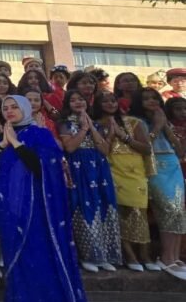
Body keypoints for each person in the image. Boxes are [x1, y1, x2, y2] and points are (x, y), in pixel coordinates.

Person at [0, 96, 89, 302]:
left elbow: (43, 168)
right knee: (15, 257)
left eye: (14, 107)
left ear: (25, 108)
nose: (9, 111)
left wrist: (17, 144)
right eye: (5, 108)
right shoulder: (2, 136)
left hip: (37, 209)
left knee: (37, 254)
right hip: (9, 208)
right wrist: (3, 143)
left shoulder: (40, 134)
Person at [93, 91, 158, 272]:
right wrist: (110, 135)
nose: (110, 104)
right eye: (105, 101)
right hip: (111, 170)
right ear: (97, 105)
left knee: (139, 213)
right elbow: (102, 151)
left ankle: (145, 254)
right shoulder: (95, 125)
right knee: (119, 213)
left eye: (113, 100)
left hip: (135, 172)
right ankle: (129, 255)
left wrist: (124, 136)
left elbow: (146, 149)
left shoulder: (133, 122)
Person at [59, 89, 121, 272]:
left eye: (81, 99)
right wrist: (83, 129)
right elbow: (70, 148)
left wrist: (91, 127)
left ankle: (104, 254)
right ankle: (88, 255)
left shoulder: (97, 124)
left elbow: (105, 150)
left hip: (98, 168)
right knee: (83, 207)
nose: (78, 102)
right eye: (73, 100)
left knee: (103, 205)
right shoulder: (64, 124)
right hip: (78, 169)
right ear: (67, 104)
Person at [129, 89, 186, 279]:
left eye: (154, 98)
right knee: (167, 209)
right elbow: (145, 146)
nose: (151, 101)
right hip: (155, 165)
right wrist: (157, 126)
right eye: (146, 98)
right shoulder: (136, 121)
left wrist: (165, 125)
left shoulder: (163, 119)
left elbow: (179, 150)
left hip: (172, 164)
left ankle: (175, 257)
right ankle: (166, 257)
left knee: (178, 211)